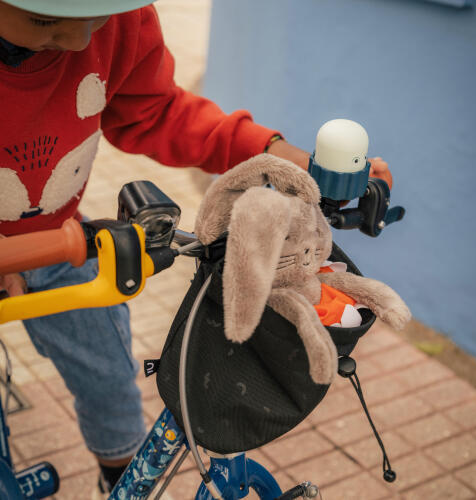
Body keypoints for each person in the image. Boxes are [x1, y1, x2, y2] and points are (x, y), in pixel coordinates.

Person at [0, 0, 392, 497]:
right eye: (44, 21)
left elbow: (156, 111)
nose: (80, 42)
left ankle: (121, 474)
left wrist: (278, 156)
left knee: (108, 375)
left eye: (94, 20)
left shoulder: (124, 20)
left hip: (63, 244)